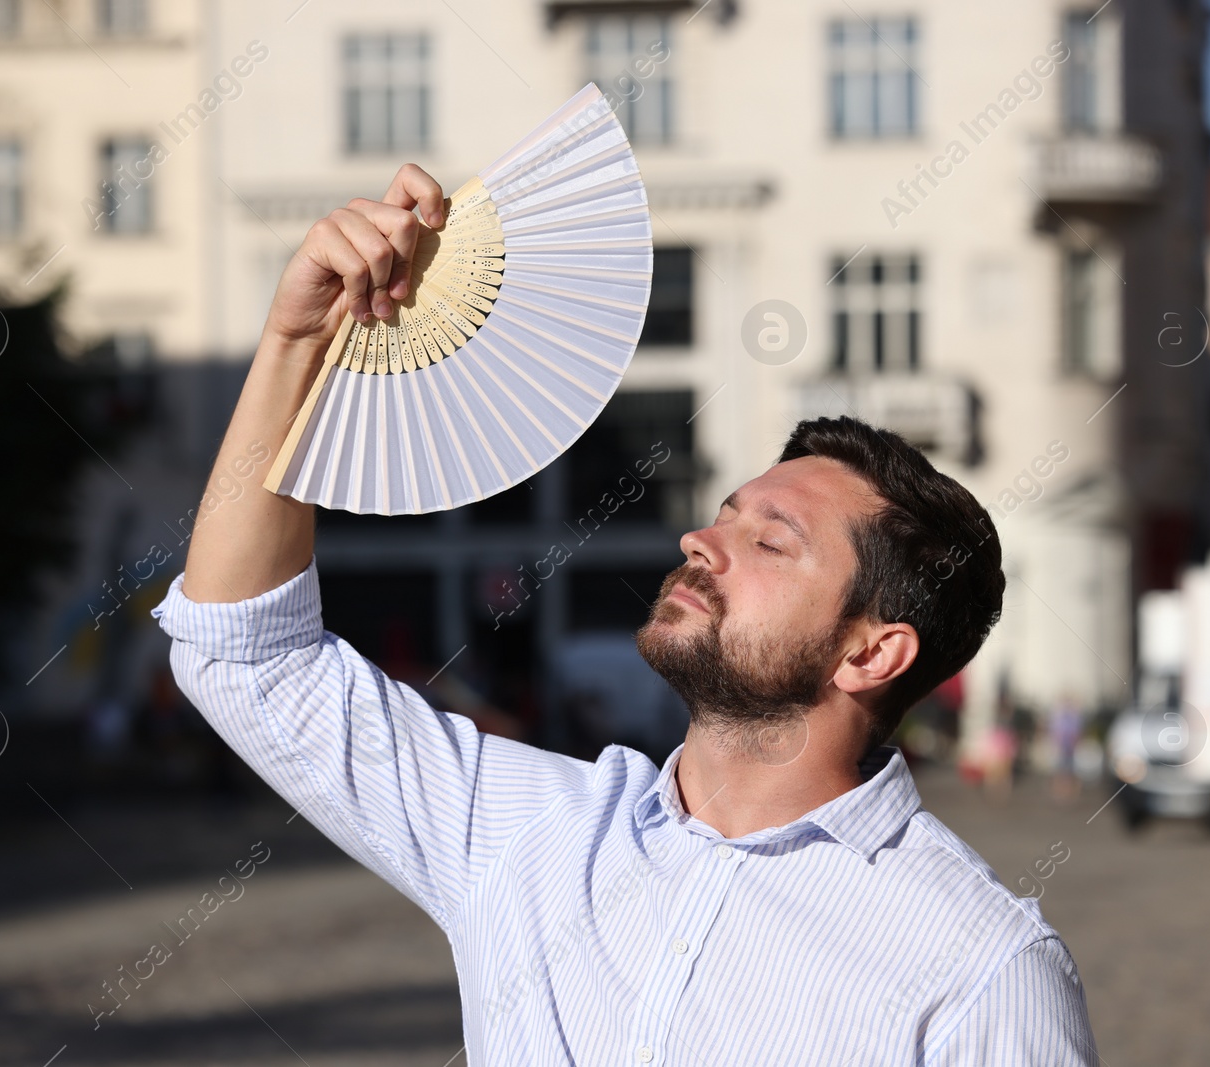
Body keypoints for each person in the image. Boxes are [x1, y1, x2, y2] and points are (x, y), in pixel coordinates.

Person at [153, 164, 1097, 1063]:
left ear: (872, 651)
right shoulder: (532, 832)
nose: (700, 540)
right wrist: (297, 346)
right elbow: (247, 655)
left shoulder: (982, 965)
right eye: (724, 514)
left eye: (771, 542)